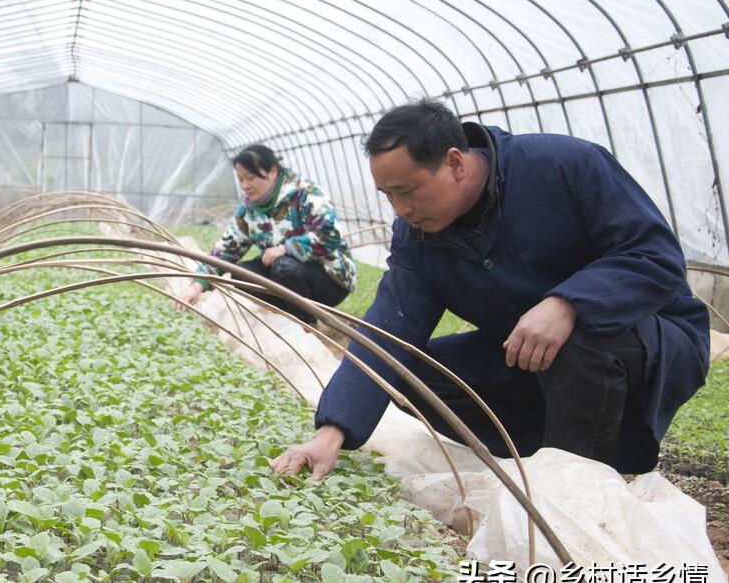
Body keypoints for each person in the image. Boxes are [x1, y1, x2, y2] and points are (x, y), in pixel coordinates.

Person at [270, 99, 709, 479]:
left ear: (455, 163)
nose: (400, 210)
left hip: (645, 336)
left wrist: (568, 303)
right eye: (387, 195)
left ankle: (571, 483)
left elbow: (654, 255)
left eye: (408, 191)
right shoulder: (417, 235)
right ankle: (550, 454)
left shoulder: (563, 165)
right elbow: (391, 328)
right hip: (530, 357)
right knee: (412, 375)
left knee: (577, 339)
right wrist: (331, 432)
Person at [180, 144, 356, 322]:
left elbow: (330, 234)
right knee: (239, 275)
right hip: (286, 277)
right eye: (241, 179)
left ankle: (306, 324)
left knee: (283, 266)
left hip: (329, 280)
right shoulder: (248, 211)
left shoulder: (305, 194)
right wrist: (197, 285)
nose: (245, 185)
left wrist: (286, 248)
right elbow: (226, 250)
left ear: (272, 171)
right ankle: (287, 317)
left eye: (251, 177)